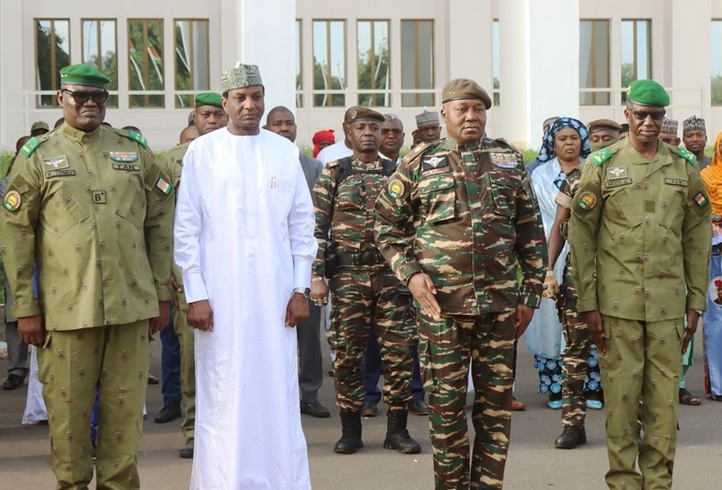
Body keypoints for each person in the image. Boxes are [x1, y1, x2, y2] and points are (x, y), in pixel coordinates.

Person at [0, 63, 174, 489]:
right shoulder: (37, 156)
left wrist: (162, 293)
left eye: (99, 97)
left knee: (124, 418)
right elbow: (15, 232)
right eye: (81, 97)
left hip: (131, 308)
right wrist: (24, 306)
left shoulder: (133, 150)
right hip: (65, 311)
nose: (91, 104)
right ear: (61, 97)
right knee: (68, 420)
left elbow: (160, 219)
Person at [374, 78, 546, 489]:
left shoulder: (507, 160)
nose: (471, 116)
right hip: (442, 311)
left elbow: (530, 231)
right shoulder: (419, 163)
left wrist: (530, 294)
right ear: (446, 114)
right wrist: (411, 275)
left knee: (495, 412)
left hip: (500, 308)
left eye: (478, 109)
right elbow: (385, 224)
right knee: (447, 411)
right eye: (462, 109)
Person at [174, 63, 315, 489]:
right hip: (221, 297)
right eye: (241, 97)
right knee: (225, 394)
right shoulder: (203, 152)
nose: (250, 105)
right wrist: (195, 293)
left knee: (276, 393)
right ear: (225, 102)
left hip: (276, 296)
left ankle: (280, 480)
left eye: (256, 96)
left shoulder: (283, 151)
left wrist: (300, 287)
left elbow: (301, 226)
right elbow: (187, 229)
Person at [569, 79, 711, 489]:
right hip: (617, 307)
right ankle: (623, 483)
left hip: (669, 306)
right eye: (641, 115)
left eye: (657, 116)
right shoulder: (601, 164)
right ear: (627, 115)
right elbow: (582, 236)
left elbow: (697, 236)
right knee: (621, 399)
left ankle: (658, 483)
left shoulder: (683, 167)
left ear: (664, 118)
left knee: (664, 405)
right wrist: (588, 303)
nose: (649, 123)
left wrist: (696, 301)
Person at [311, 107, 421, 455]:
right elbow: (316, 227)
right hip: (347, 277)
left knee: (399, 353)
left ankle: (397, 430)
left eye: (376, 127)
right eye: (362, 127)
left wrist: (414, 273)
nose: (370, 133)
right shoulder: (335, 172)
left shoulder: (397, 172)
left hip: (391, 277)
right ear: (349, 131)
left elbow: (414, 226)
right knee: (347, 354)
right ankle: (350, 430)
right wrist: (316, 276)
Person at [159, 91, 228, 458]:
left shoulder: (237, 154)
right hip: (189, 278)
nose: (213, 121)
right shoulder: (173, 162)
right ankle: (193, 430)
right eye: (206, 115)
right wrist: (172, 271)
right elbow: (163, 220)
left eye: (219, 114)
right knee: (191, 357)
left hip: (231, 274)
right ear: (194, 120)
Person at [527, 119, 603, 412]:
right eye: (562, 138)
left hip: (588, 251)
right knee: (550, 322)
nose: (569, 143)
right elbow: (545, 215)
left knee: (590, 318)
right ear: (552, 143)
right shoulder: (540, 175)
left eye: (574, 137)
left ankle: (591, 386)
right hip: (549, 247)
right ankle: (557, 388)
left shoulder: (594, 170)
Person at [265, 105, 331, 419]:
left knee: (308, 333)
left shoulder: (313, 166)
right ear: (267, 128)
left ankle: (310, 392)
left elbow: (320, 219)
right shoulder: (259, 162)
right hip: (266, 263)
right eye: (277, 124)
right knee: (267, 332)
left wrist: (317, 267)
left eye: (289, 123)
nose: (284, 128)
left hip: (304, 263)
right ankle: (274, 395)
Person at [362, 113, 428, 417]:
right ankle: (369, 394)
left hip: (402, 270)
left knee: (407, 338)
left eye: (395, 132)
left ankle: (415, 394)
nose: (389, 135)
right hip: (364, 270)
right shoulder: (351, 169)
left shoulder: (410, 169)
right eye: (384, 130)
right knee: (371, 338)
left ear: (403, 137)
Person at [2, 135, 31, 391]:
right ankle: (17, 368)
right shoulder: (6, 186)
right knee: (17, 313)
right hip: (19, 259)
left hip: (55, 259)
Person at [700, 130, 722, 402]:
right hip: (716, 256)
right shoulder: (705, 178)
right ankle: (719, 384)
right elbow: (698, 214)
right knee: (716, 318)